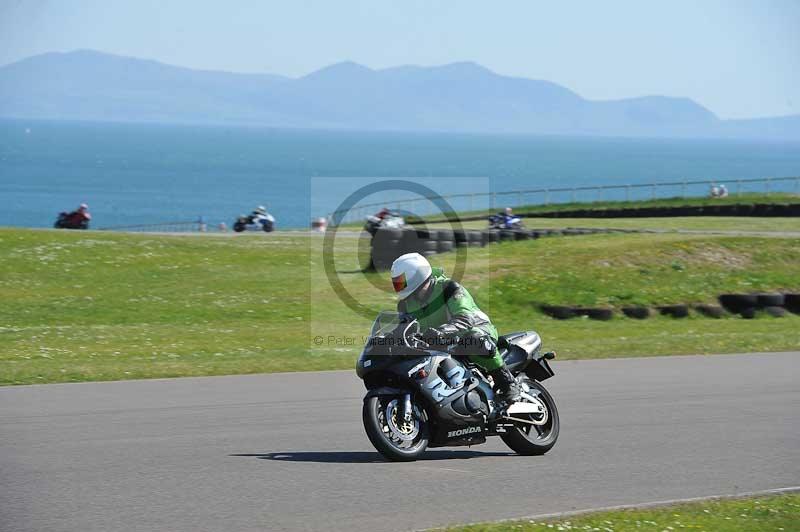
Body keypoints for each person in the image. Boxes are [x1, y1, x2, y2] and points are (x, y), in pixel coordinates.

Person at [390, 252, 521, 402]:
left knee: (474, 340)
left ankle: (508, 382)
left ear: (417, 277)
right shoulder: (405, 304)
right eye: (397, 283)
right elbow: (403, 329)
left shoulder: (448, 288)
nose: (400, 287)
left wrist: (442, 332)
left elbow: (465, 318)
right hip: (440, 341)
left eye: (402, 282)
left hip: (476, 329)